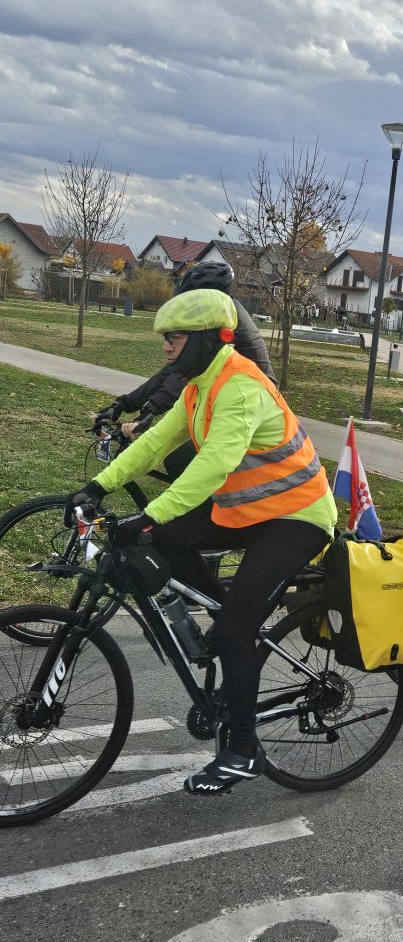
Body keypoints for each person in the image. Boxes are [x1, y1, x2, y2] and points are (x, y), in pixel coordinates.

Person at [67, 287, 337, 794]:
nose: (165, 347)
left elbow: (214, 463)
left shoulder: (240, 386)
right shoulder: (199, 385)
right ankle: (226, 617)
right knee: (166, 543)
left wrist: (147, 514)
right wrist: (96, 487)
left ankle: (242, 748)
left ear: (207, 338)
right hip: (249, 509)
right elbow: (155, 442)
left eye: (173, 338)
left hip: (297, 516)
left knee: (235, 627)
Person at [94, 262, 277, 474]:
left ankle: (215, 506)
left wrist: (149, 411)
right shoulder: (220, 314)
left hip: (248, 408)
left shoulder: (223, 323)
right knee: (179, 461)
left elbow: (180, 378)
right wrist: (124, 404)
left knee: (181, 462)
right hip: (225, 398)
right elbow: (171, 371)